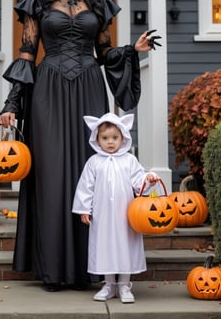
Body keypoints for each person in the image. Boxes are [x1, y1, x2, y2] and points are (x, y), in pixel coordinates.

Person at [0, 0, 161, 292]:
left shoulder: (99, 4)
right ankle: (54, 269)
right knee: (53, 174)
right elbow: (26, 53)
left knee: (93, 174)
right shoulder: (36, 2)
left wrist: (131, 51)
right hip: (48, 90)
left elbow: (104, 54)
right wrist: (12, 102)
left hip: (90, 86)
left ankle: (95, 269)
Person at [72, 112, 159, 303]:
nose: (110, 142)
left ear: (123, 138)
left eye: (114, 138)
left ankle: (124, 286)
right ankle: (109, 284)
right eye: (105, 138)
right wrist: (84, 208)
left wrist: (148, 179)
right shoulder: (94, 162)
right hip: (102, 215)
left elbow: (138, 182)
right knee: (105, 246)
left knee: (125, 245)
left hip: (126, 214)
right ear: (97, 139)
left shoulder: (129, 160)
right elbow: (86, 186)